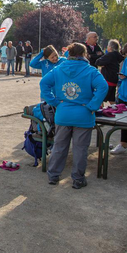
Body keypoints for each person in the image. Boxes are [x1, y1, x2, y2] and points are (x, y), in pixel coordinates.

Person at [40, 43, 108, 189]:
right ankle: (77, 179)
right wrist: (93, 105)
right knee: (80, 149)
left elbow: (43, 83)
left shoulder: (59, 69)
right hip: (83, 114)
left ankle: (53, 176)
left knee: (59, 146)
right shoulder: (91, 71)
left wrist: (55, 102)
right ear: (84, 55)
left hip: (63, 113)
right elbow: (103, 86)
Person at [95, 39, 124, 103]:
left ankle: (100, 111)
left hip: (107, 79)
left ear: (110, 47)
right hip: (114, 79)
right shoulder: (119, 55)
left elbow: (97, 62)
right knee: (111, 99)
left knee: (100, 98)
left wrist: (103, 64)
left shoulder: (110, 55)